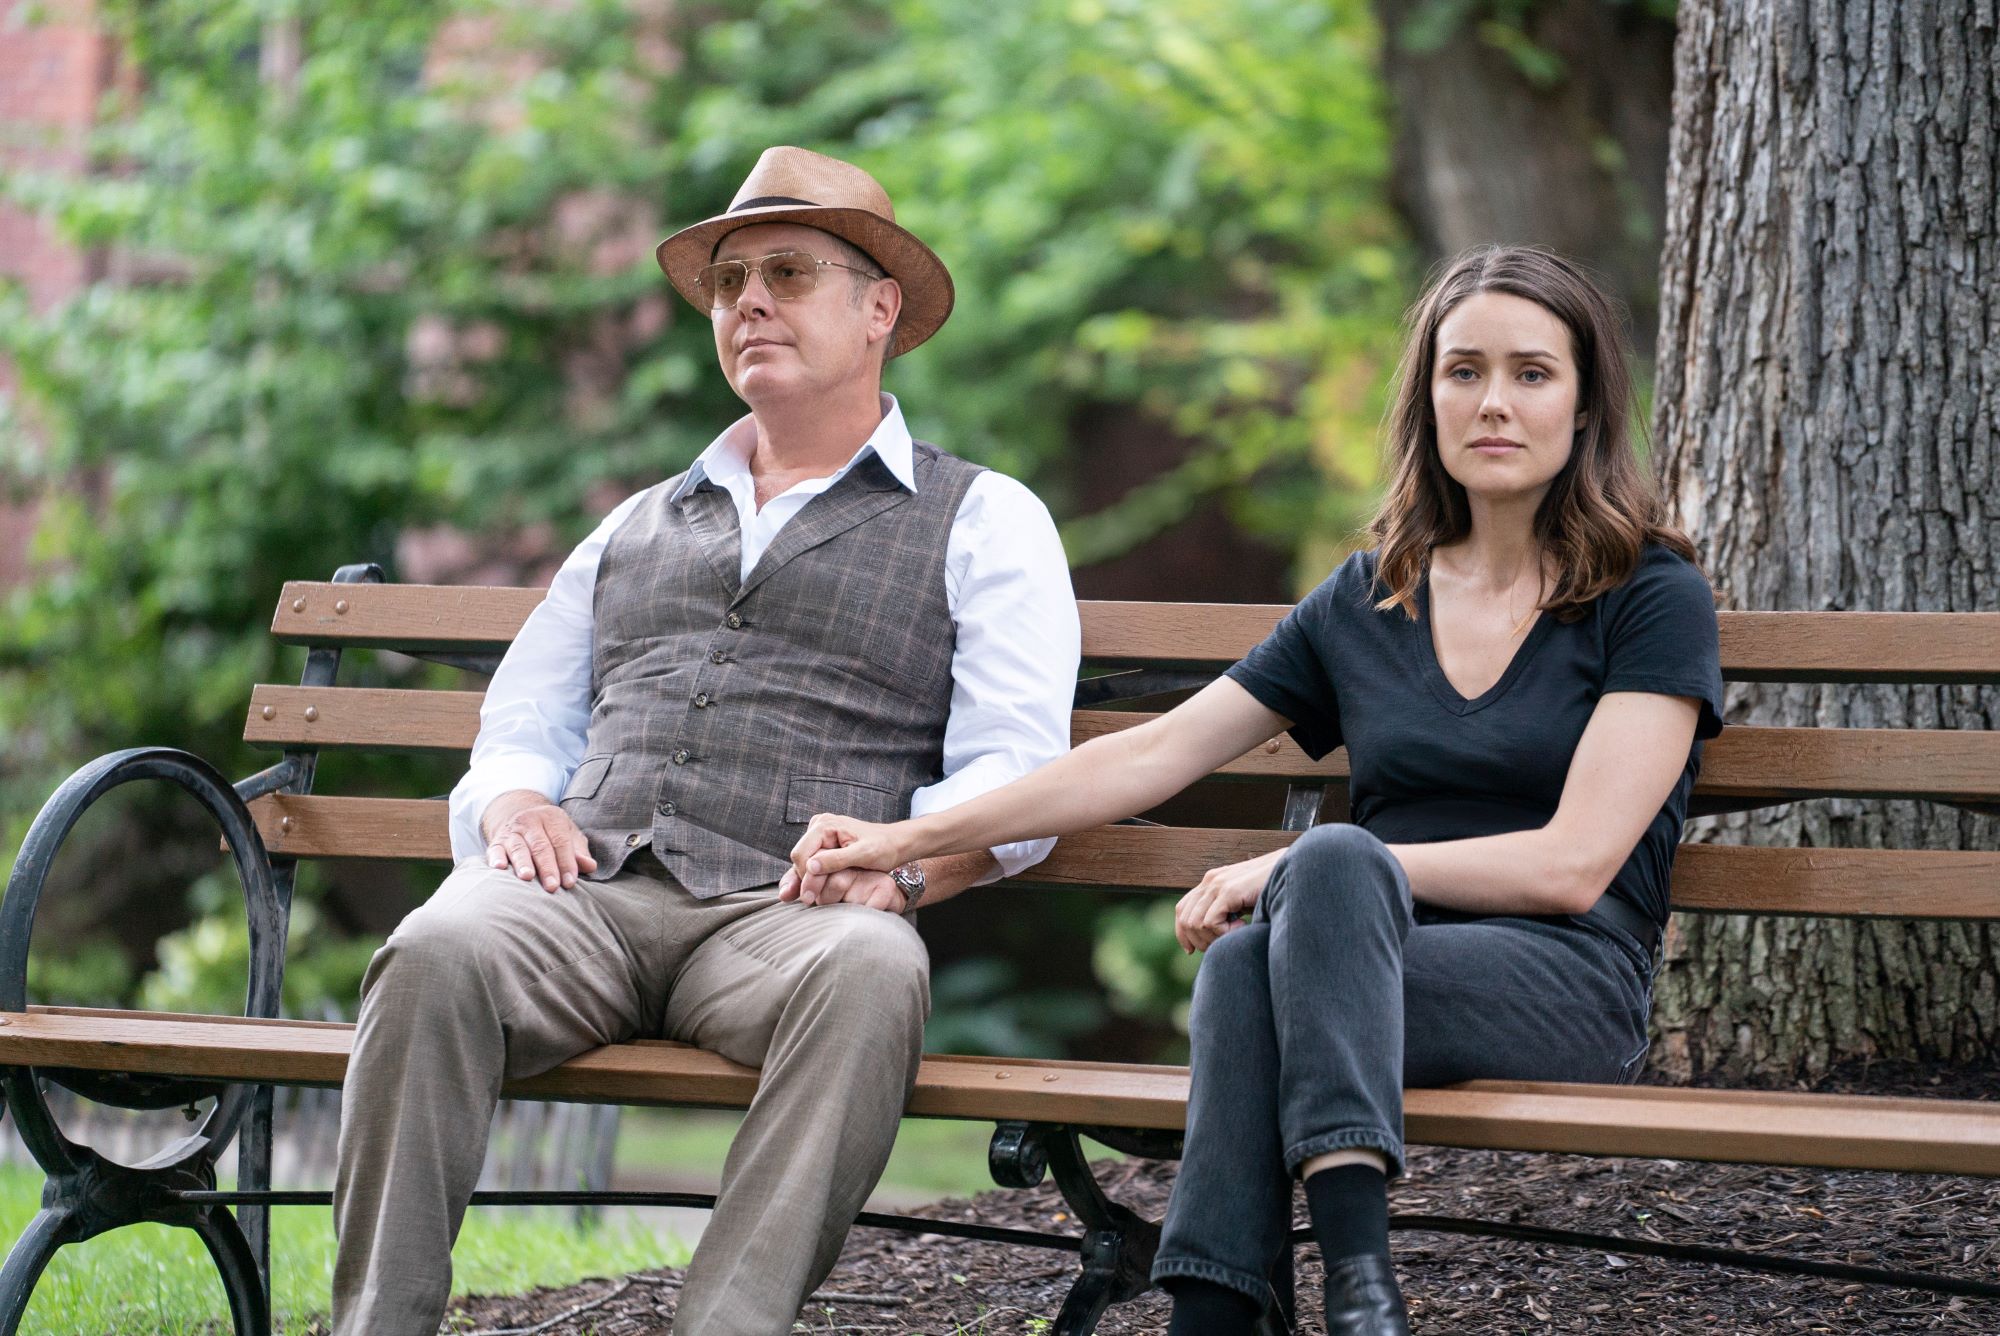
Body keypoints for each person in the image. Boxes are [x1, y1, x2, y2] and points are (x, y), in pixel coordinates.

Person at [786, 245, 1724, 1335]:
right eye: (1462, 370)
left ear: (1583, 400)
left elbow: (1573, 866)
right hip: (1350, 966)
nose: (1493, 403)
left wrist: (1303, 867)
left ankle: (1334, 1290)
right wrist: (909, 837)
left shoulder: (1648, 595)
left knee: (1308, 883)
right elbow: (1149, 755)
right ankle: (1292, 1310)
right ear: (1426, 395)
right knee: (1250, 958)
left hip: (1562, 985)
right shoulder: (1373, 593)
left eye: (1530, 373)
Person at [330, 146, 1080, 1336]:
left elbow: (1020, 769)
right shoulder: (637, 519)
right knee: (434, 949)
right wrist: (517, 804)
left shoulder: (985, 517)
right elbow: (526, 714)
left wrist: (911, 861)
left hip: (789, 920)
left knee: (876, 970)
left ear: (878, 307)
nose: (750, 303)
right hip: (585, 898)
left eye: (787, 272)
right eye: (731, 282)